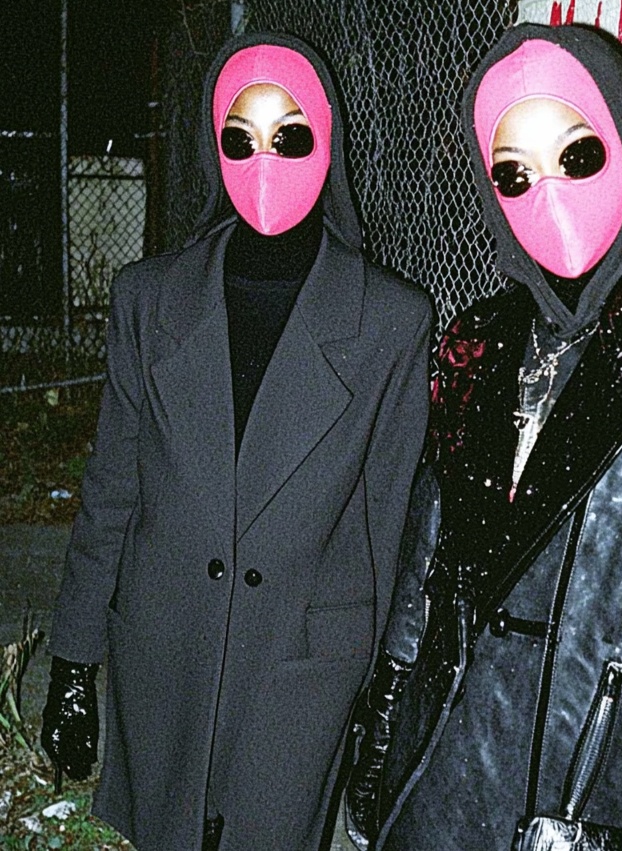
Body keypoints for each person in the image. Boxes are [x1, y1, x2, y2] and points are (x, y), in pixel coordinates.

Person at [345, 22, 622, 851]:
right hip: (437, 771)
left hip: (576, 794)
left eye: (575, 155)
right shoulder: (478, 337)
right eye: (513, 174)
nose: (544, 193)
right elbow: (425, 557)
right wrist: (382, 733)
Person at [40, 32, 432, 851]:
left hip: (300, 664)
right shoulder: (148, 299)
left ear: (327, 142)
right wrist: (74, 659)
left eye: (290, 135)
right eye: (239, 137)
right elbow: (112, 488)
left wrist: (381, 693)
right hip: (165, 648)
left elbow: (389, 524)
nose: (264, 160)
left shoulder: (391, 322)